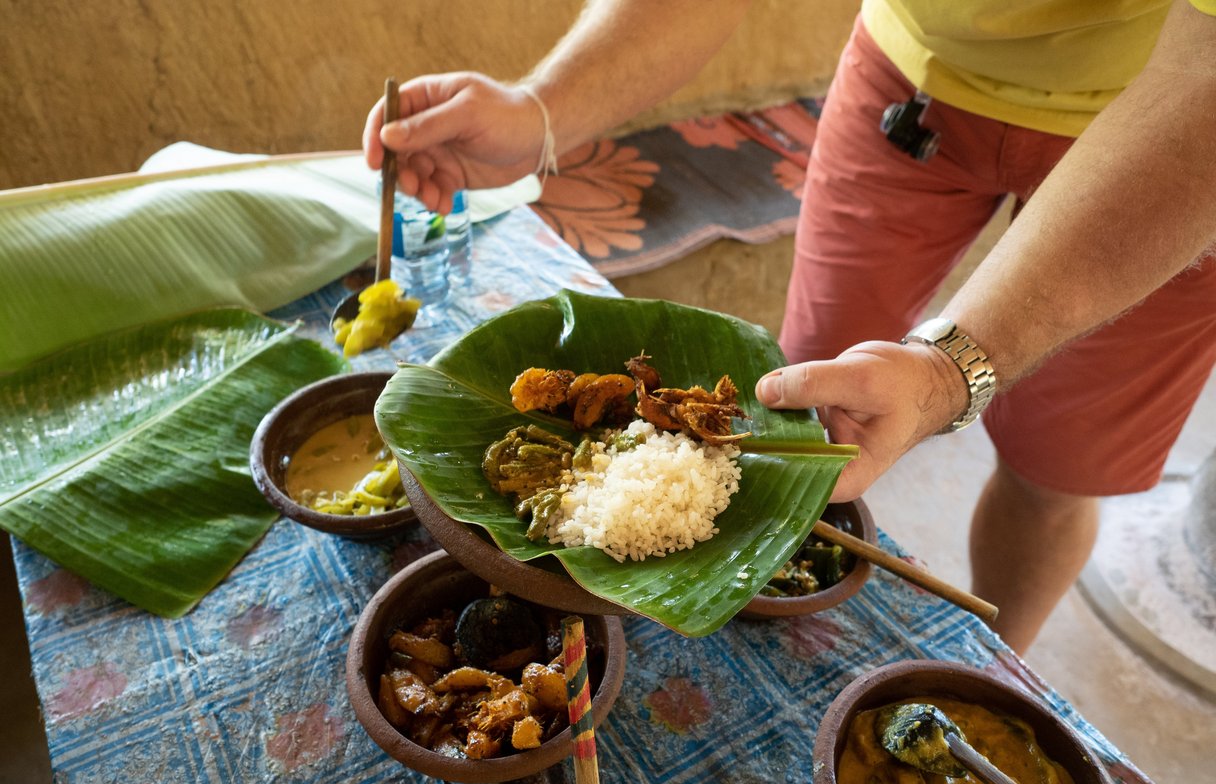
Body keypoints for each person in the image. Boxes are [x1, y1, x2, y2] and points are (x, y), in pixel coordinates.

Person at [362, 0, 1216, 654]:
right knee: (807, 402)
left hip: (1166, 138)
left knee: (1059, 470)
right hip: (916, 80)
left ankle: (992, 661)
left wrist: (952, 370)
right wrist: (542, 106)